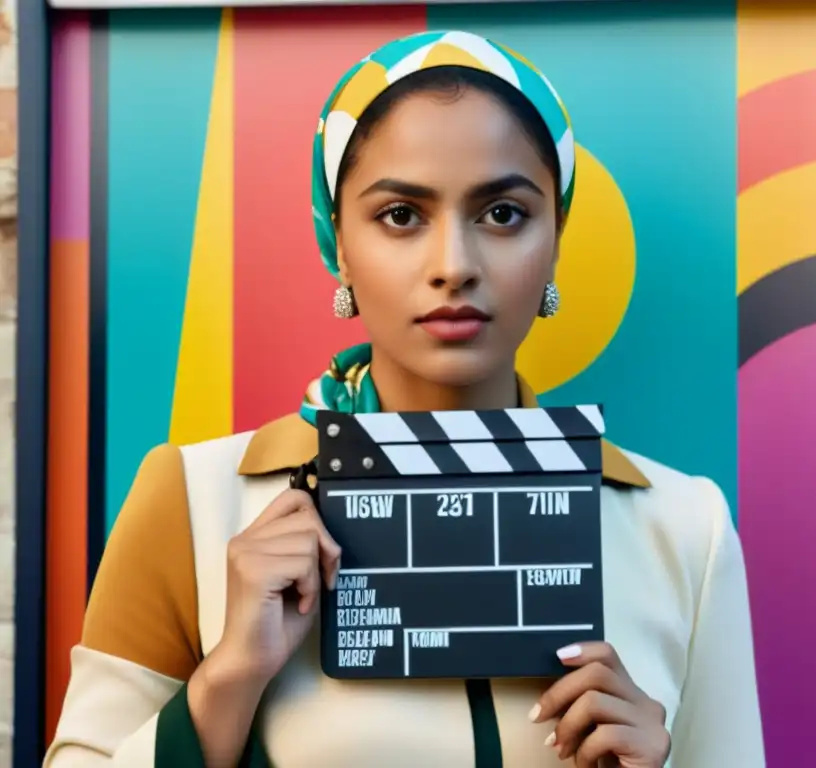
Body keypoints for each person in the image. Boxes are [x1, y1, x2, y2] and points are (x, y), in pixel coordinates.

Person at [44, 31, 764, 768]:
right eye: (401, 216)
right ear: (340, 244)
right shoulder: (195, 503)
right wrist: (229, 679)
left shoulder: (683, 529)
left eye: (504, 214)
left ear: (555, 239)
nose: (454, 265)